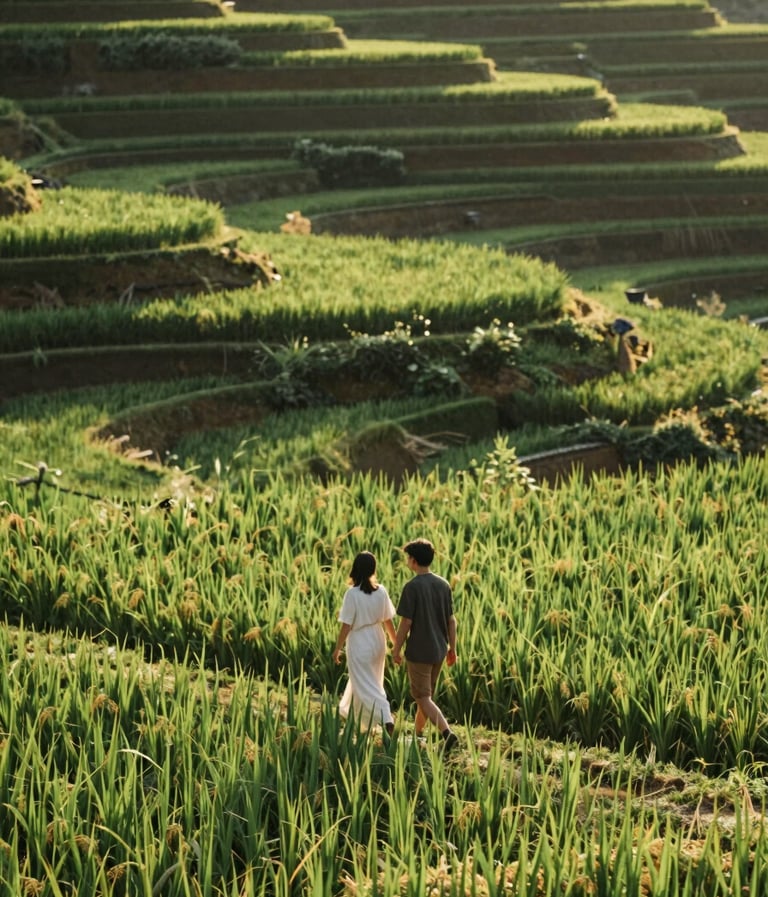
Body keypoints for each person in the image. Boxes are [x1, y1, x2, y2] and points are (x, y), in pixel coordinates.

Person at [392, 538, 459, 753]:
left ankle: (447, 733)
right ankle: (418, 734)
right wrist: (453, 648)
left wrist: (396, 648)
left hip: (419, 651)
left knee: (422, 696)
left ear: (413, 560)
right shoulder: (443, 584)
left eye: (407, 558)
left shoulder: (412, 587)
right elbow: (451, 620)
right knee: (426, 696)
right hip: (439, 649)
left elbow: (405, 623)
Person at [333, 551, 397, 734]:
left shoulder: (352, 594)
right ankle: (359, 725)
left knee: (366, 685)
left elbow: (346, 625)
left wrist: (337, 648)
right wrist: (395, 645)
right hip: (377, 640)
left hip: (359, 641)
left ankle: (385, 716)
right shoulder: (381, 591)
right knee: (369, 682)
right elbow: (388, 621)